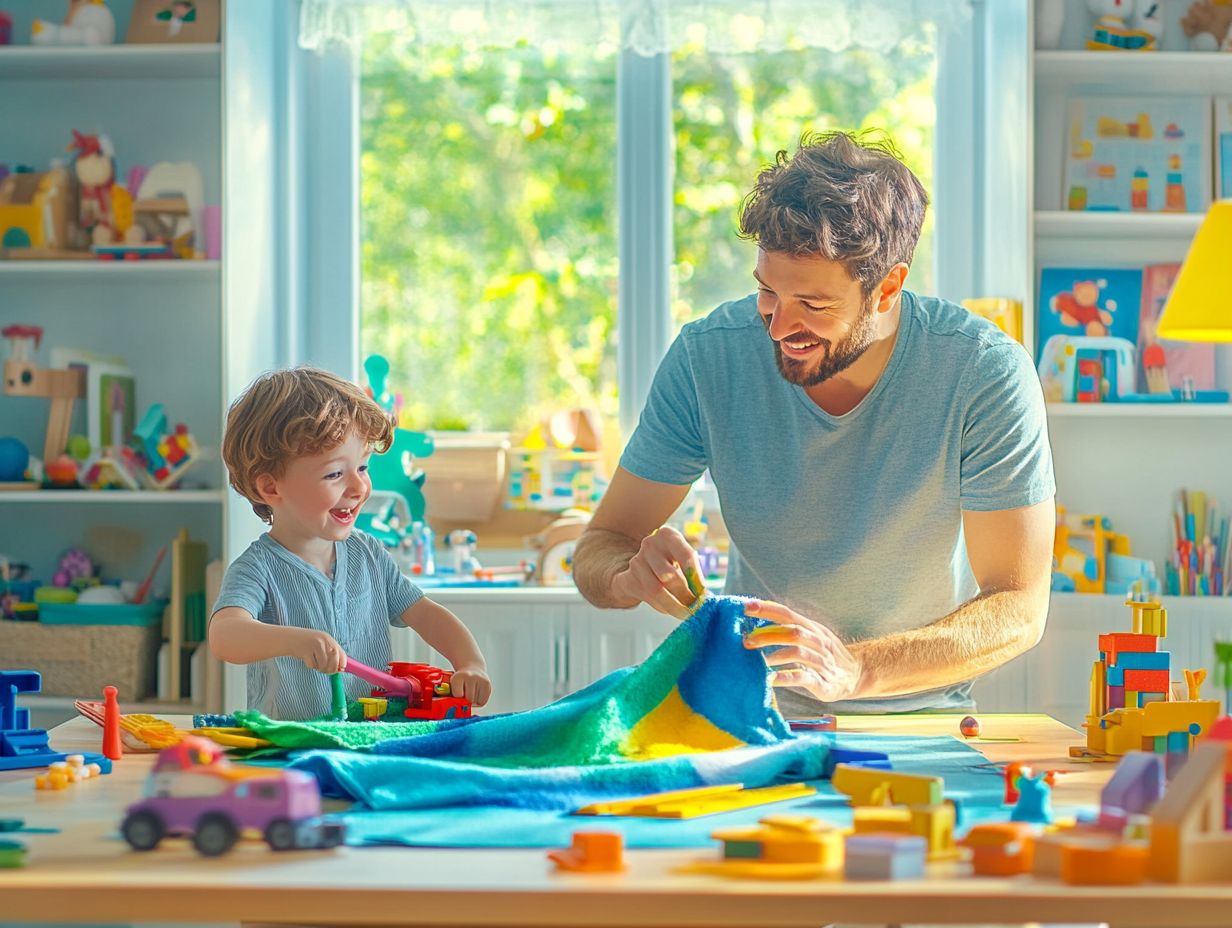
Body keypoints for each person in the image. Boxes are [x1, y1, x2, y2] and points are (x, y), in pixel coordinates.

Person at [573, 130, 1055, 716]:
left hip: (919, 720)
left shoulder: (984, 372)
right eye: (767, 293)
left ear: (887, 289)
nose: (778, 328)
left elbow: (1019, 607)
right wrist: (627, 577)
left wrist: (856, 671)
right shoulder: (707, 357)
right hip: (754, 711)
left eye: (814, 306)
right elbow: (599, 546)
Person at [209, 367, 492, 720]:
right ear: (271, 488)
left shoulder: (369, 554)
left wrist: (470, 663)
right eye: (334, 474)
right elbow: (225, 635)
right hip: (292, 746)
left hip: (370, 735)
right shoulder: (258, 568)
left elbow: (427, 615)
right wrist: (294, 640)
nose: (358, 488)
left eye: (363, 467)